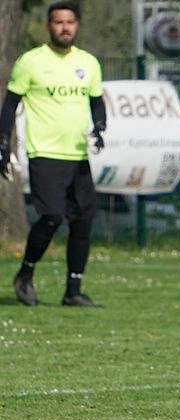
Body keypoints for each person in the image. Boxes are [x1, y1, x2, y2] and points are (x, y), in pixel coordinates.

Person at [0, 1, 106, 307]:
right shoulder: (31, 61)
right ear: (49, 26)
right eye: (59, 22)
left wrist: (100, 126)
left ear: (77, 25)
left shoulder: (88, 63)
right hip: (45, 153)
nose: (64, 28)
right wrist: (3, 141)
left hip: (78, 155)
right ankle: (25, 274)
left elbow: (97, 102)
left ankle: (73, 291)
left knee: (83, 219)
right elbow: (10, 104)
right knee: (51, 216)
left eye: (69, 22)